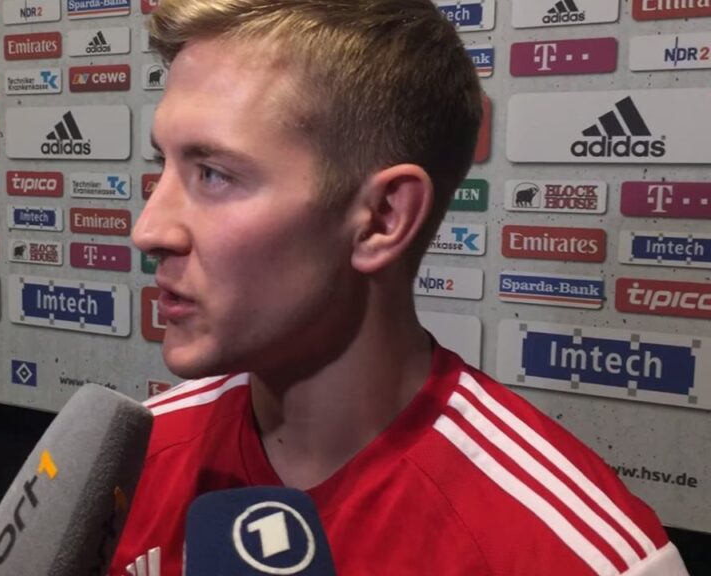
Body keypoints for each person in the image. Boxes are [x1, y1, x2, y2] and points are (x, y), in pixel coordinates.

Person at [112, 0, 689, 574]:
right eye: (165, 165)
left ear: (383, 218)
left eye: (213, 174)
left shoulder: (579, 558)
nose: (149, 230)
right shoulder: (122, 464)